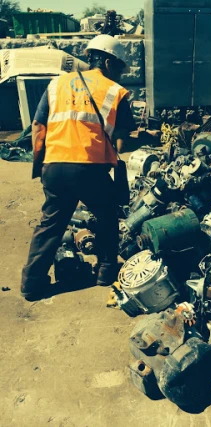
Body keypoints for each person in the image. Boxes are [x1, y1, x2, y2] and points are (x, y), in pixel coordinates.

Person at [21, 35, 136, 301]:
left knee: (50, 224)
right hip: (90, 168)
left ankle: (32, 284)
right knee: (107, 216)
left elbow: (38, 128)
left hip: (54, 165)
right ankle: (106, 271)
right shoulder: (114, 91)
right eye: (119, 67)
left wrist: (42, 165)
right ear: (108, 62)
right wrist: (116, 153)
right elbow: (123, 136)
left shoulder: (56, 83)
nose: (119, 74)